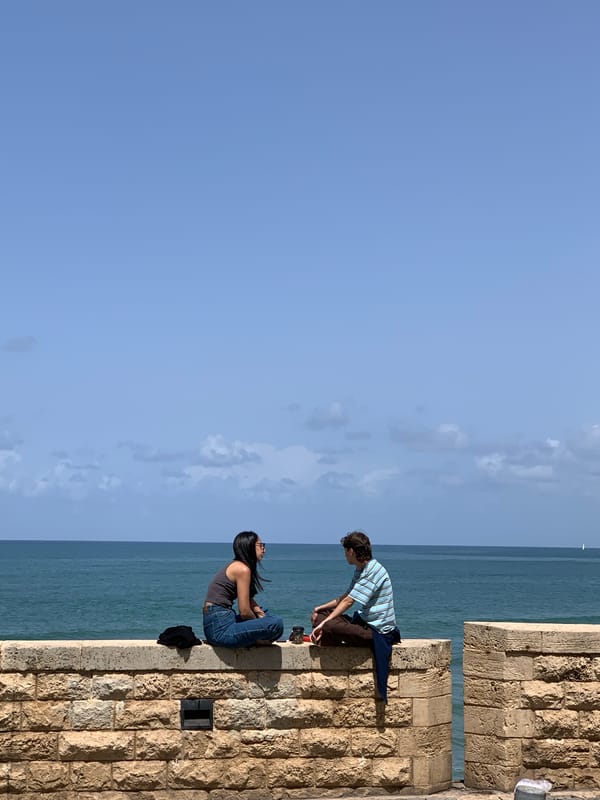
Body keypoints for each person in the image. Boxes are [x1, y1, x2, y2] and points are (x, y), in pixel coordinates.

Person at [310, 530, 401, 702]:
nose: (345, 555)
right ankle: (327, 634)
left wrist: (324, 624)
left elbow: (349, 602)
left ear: (351, 551)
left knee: (327, 624)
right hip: (364, 622)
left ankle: (327, 635)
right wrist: (319, 608)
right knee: (321, 615)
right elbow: (345, 597)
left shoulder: (373, 571)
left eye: (345, 551)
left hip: (376, 632)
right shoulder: (361, 570)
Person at [202, 531, 284, 648]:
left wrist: (260, 614)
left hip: (219, 622)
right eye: (261, 545)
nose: (264, 549)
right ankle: (256, 640)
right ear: (249, 546)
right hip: (220, 630)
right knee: (276, 623)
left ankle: (254, 639)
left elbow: (248, 600)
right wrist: (258, 622)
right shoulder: (242, 569)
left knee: (265, 614)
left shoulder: (237, 566)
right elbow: (244, 611)